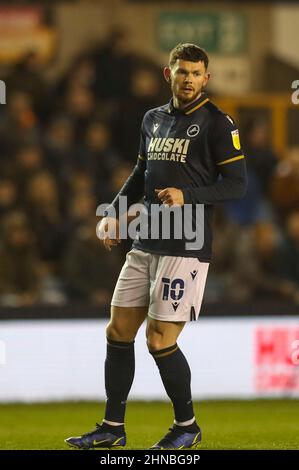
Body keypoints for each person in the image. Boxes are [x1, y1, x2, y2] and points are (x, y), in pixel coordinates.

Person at [65, 43, 247, 450]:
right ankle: (113, 428)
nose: (188, 79)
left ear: (207, 78)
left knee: (159, 338)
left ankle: (187, 425)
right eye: (182, 72)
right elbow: (140, 173)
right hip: (146, 240)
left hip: (186, 245)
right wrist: (114, 213)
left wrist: (188, 195)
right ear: (169, 74)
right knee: (118, 330)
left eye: (196, 73)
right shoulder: (153, 120)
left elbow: (237, 185)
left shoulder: (219, 124)